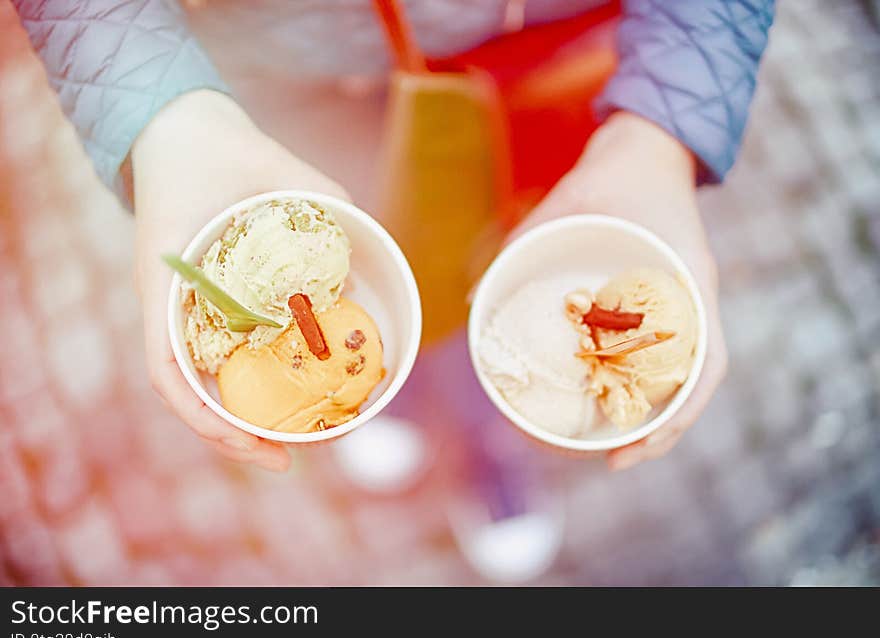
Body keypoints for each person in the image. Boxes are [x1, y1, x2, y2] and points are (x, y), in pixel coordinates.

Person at [12, 0, 774, 473]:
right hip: (280, 71)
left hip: (525, 65)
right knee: (373, 267)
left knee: (508, 268)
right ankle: (391, 393)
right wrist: (160, 110)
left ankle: (495, 429)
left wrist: (662, 128)